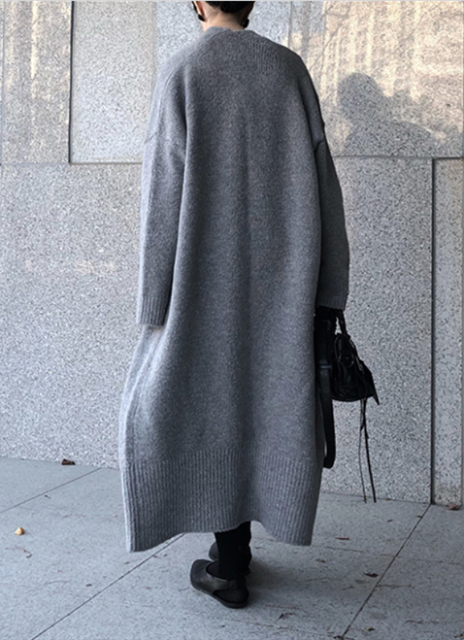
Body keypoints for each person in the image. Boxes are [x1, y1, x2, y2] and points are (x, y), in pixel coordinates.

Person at [118, 0, 350, 609]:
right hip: (283, 283)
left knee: (207, 403)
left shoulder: (182, 71)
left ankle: (228, 563)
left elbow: (163, 193)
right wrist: (330, 290)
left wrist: (154, 299)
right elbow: (325, 187)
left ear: (198, 2)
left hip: (199, 281)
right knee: (262, 404)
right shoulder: (288, 70)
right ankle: (234, 554)